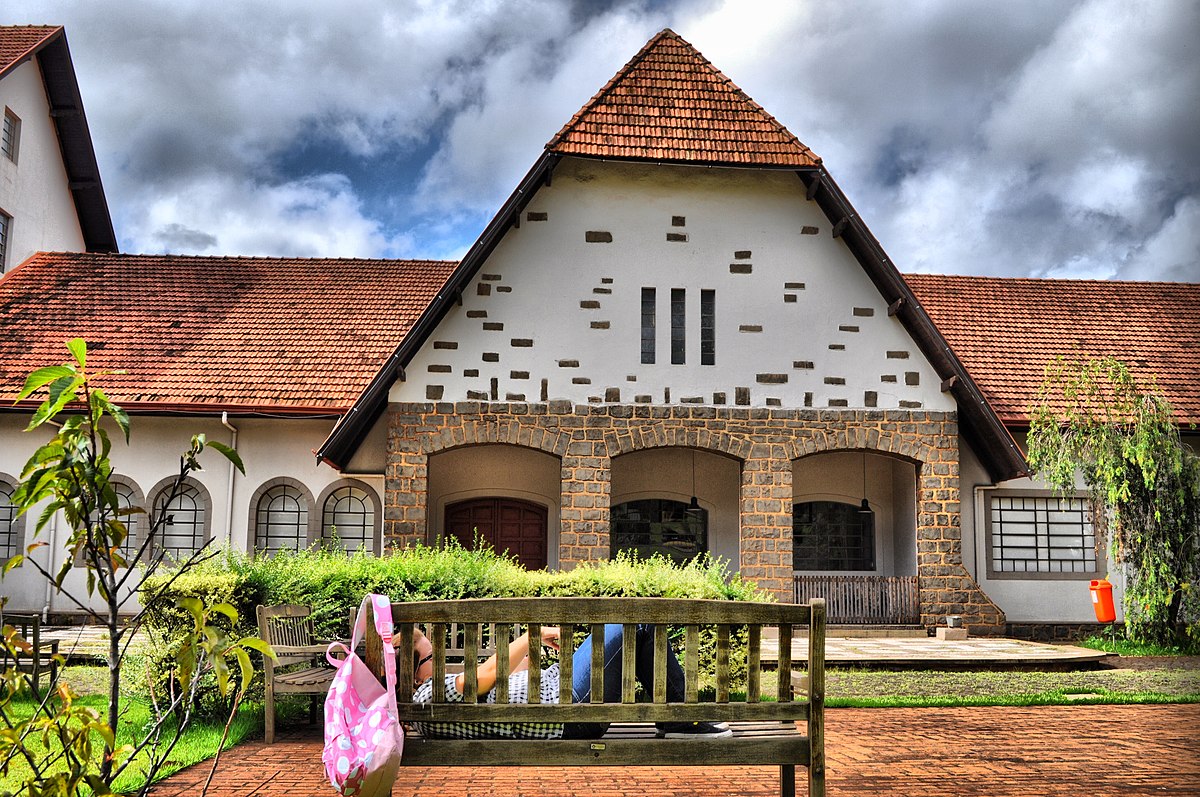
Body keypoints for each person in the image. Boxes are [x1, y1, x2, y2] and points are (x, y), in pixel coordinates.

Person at [406, 624, 731, 741]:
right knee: (639, 622)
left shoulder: (426, 704)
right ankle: (680, 718)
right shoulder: (425, 698)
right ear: (410, 670)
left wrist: (532, 655)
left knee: (636, 628)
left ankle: (676, 717)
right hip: (566, 710)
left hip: (558, 700)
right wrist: (534, 633)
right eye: (429, 657)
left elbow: (499, 690)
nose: (438, 663)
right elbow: (484, 678)